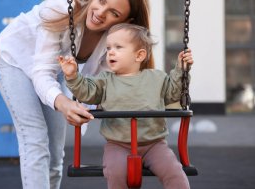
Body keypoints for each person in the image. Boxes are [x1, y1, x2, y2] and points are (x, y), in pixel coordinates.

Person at [0, 0, 153, 189]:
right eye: (101, 0)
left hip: (52, 69)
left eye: (113, 13)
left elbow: (101, 84)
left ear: (126, 21)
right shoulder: (61, 8)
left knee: (56, 152)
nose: (99, 13)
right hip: (14, 58)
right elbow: (42, 72)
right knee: (35, 138)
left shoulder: (114, 42)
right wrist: (64, 103)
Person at [58, 23, 193, 189]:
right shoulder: (105, 80)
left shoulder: (156, 78)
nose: (111, 52)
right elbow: (86, 93)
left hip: (154, 144)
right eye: (108, 48)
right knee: (115, 173)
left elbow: (173, 93)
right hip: (118, 145)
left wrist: (181, 70)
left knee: (174, 172)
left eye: (118, 47)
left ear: (139, 55)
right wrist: (72, 76)